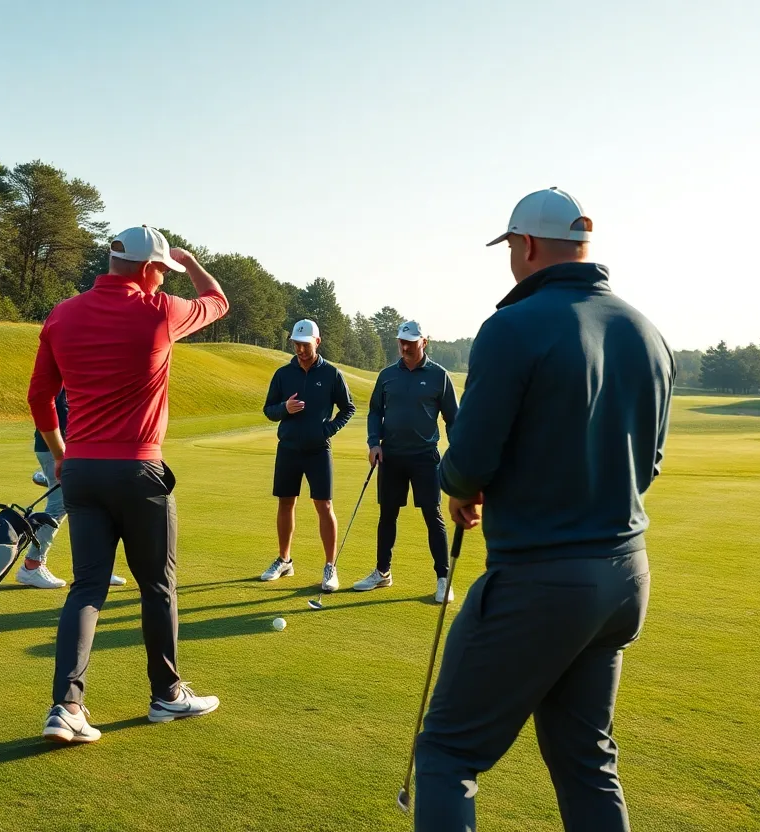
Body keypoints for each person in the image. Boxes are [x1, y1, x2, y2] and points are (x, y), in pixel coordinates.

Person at [413, 187, 674, 831]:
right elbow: (648, 467)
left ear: (525, 245)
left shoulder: (511, 326)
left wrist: (460, 486)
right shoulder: (646, 330)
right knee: (587, 759)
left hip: (540, 579)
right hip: (625, 577)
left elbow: (469, 459)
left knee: (447, 753)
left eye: (510, 247)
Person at [27, 225, 229, 743]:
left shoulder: (62, 314)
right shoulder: (160, 310)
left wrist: (61, 456)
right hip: (139, 471)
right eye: (163, 270)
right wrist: (191, 261)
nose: (164, 277)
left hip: (81, 471)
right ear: (148, 268)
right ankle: (167, 695)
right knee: (157, 586)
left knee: (87, 588)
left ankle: (66, 707)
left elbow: (39, 397)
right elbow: (217, 301)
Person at [352, 321, 459, 602]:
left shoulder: (439, 376)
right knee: (387, 515)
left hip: (425, 457)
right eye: (401, 341)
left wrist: (458, 449)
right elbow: (375, 412)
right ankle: (382, 572)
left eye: (410, 342)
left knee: (432, 515)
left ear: (423, 342)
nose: (405, 346)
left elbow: (452, 418)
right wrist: (374, 443)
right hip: (391, 456)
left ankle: (443, 578)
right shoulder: (387, 375)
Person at [259, 319, 356, 591]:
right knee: (285, 503)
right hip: (288, 448)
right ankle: (284, 560)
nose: (300, 350)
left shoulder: (331, 374)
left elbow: (348, 408)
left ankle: (330, 567)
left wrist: (328, 430)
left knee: (324, 506)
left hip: (318, 450)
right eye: (296, 344)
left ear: (317, 342)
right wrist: (284, 408)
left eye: (305, 345)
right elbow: (268, 410)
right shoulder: (283, 374)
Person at [15, 386, 127, 590]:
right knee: (59, 506)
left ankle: (94, 569)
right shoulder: (63, 375)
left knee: (91, 505)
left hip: (76, 447)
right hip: (58, 447)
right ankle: (32, 566)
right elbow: (51, 407)